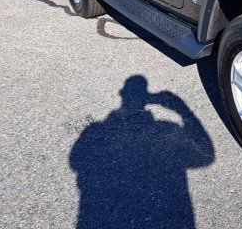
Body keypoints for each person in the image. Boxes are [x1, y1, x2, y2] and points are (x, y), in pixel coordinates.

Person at [70, 76, 214, 229]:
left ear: (121, 94)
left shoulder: (96, 130)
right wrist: (183, 110)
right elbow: (205, 157)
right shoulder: (166, 129)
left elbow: (76, 162)